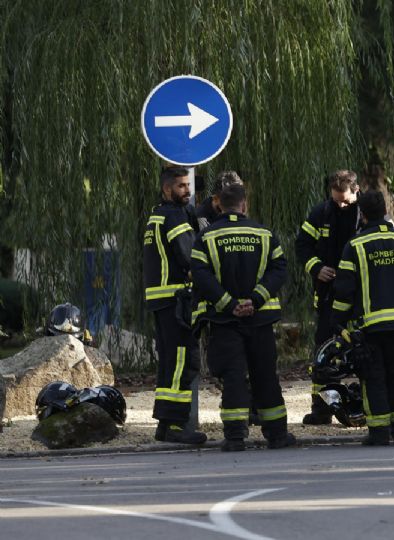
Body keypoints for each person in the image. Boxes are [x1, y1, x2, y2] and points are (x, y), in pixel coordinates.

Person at [191, 179, 295, 452]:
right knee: (265, 375)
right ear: (244, 205)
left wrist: (228, 304)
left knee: (234, 376)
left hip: (225, 321)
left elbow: (201, 275)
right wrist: (256, 299)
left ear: (219, 206)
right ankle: (277, 435)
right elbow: (279, 269)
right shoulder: (264, 234)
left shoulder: (207, 236)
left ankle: (236, 436)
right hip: (260, 319)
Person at [330, 191, 394, 445]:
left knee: (373, 378)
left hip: (371, 326)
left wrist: (337, 320)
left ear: (362, 214)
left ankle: (379, 433)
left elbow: (345, 290)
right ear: (385, 210)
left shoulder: (355, 245)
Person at [143, 166, 207, 444]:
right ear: (167, 189)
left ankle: (165, 423)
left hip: (162, 301)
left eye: (188, 186)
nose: (187, 191)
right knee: (184, 361)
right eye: (181, 186)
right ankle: (178, 425)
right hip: (177, 299)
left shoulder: (155, 216)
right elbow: (190, 258)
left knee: (170, 361)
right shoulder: (175, 217)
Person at [295, 170, 362, 425]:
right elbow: (302, 245)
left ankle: (365, 406)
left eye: (345, 200)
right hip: (328, 295)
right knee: (324, 351)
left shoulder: (366, 212)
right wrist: (316, 267)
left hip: (359, 295)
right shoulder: (321, 212)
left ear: (356, 190)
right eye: (336, 200)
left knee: (363, 350)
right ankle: (321, 409)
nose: (340, 205)